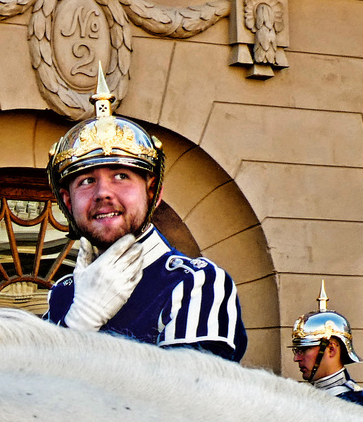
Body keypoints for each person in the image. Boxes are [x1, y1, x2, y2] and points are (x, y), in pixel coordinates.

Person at [44, 67, 246, 363]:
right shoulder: (63, 296)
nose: (103, 193)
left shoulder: (195, 283)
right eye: (86, 181)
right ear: (67, 200)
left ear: (154, 193)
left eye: (121, 176)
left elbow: (181, 402)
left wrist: (77, 335)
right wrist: (79, 319)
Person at [289, 284, 363, 407]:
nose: (296, 358)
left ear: (331, 349)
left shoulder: (354, 400)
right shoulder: (307, 397)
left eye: (304, 350)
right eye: (296, 351)